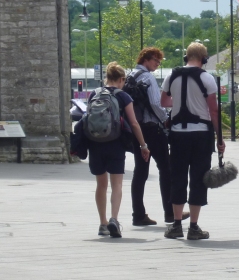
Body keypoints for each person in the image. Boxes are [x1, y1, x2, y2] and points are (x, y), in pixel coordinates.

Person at [160, 43, 224, 240]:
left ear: (186, 57)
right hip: (201, 135)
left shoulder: (171, 76)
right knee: (198, 178)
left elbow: (163, 102)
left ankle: (177, 224)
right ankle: (194, 227)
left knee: (177, 177)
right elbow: (213, 110)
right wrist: (219, 138)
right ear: (204, 59)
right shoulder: (207, 78)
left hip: (178, 135)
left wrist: (180, 102)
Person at [87, 62, 150, 238]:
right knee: (117, 184)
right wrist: (143, 145)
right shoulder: (123, 96)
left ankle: (103, 223)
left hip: (95, 144)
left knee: (101, 184)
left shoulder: (94, 93)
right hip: (115, 144)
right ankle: (114, 219)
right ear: (121, 79)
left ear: (106, 77)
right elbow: (134, 123)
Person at [127, 47, 189, 226]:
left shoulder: (130, 75)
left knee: (140, 172)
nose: (157, 64)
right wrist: (165, 119)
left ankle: (138, 214)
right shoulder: (148, 78)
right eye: (156, 61)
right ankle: (170, 212)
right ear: (146, 59)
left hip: (137, 130)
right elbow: (156, 102)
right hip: (153, 129)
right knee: (166, 169)